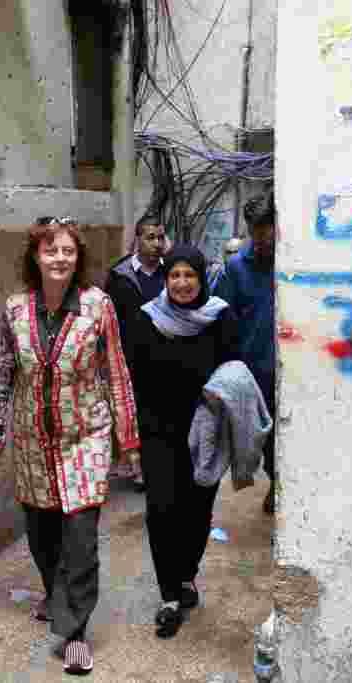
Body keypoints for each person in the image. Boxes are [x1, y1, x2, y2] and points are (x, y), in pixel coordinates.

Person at [0, 216, 140, 676]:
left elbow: (115, 371)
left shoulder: (98, 306)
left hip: (85, 438)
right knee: (42, 536)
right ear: (36, 256)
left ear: (79, 257)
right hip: (32, 442)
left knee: (81, 539)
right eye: (51, 250)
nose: (60, 258)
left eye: (68, 251)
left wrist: (127, 439)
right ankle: (56, 598)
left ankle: (74, 632)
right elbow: (1, 378)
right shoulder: (15, 310)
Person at [125, 244, 239, 639]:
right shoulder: (146, 319)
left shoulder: (219, 316)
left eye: (190, 275)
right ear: (166, 278)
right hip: (159, 431)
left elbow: (233, 369)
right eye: (175, 275)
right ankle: (169, 594)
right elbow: (133, 375)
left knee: (196, 508)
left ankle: (187, 575)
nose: (183, 282)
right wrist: (133, 434)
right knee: (161, 509)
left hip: (205, 431)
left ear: (201, 278)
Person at [212, 195, 277, 514]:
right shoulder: (236, 268)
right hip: (253, 370)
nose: (264, 241)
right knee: (259, 434)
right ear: (250, 231)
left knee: (285, 433)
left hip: (288, 368)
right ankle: (273, 477)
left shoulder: (290, 260)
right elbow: (223, 317)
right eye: (258, 233)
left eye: (270, 232)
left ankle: (281, 484)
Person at [105, 218, 171, 492]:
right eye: (150, 237)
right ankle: (142, 469)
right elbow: (108, 318)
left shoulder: (173, 272)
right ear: (137, 240)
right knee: (138, 413)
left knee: (165, 411)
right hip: (131, 358)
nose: (156, 244)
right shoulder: (120, 275)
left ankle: (164, 466)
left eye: (160, 238)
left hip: (167, 356)